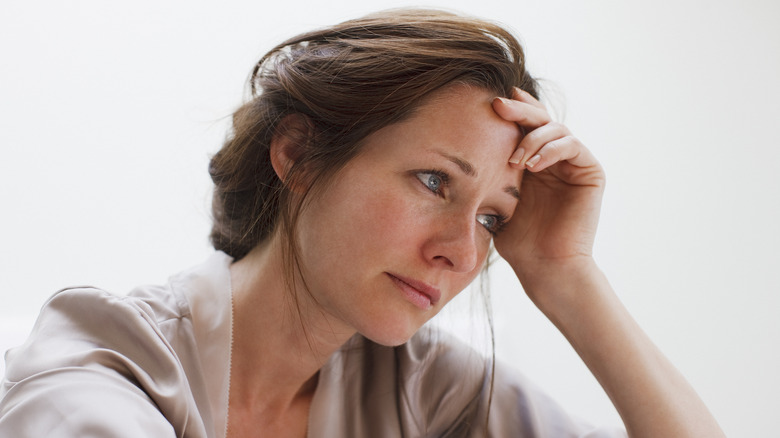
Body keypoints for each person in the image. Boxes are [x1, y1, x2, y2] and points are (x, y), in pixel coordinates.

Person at [0, 8, 724, 438]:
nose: (460, 251)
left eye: (495, 220)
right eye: (435, 180)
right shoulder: (104, 357)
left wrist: (568, 277)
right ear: (299, 153)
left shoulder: (425, 386)